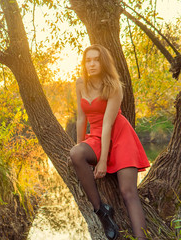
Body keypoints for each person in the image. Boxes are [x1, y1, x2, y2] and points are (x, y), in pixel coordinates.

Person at [70, 44, 150, 240]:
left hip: (120, 136)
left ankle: (142, 238)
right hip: (96, 137)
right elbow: (81, 118)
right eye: (88, 60)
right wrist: (79, 144)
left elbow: (108, 124)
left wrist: (103, 160)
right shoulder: (80, 84)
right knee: (76, 154)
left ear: (103, 62)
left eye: (96, 59)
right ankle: (102, 211)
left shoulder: (113, 86)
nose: (92, 64)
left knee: (128, 192)